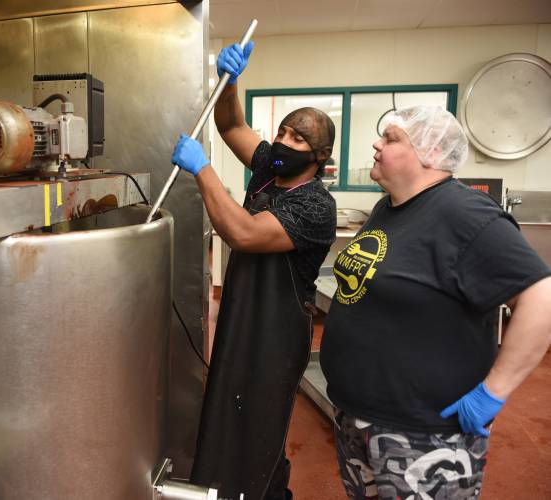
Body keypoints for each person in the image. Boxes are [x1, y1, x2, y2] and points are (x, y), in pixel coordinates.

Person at [320, 105, 551, 499]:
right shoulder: (388, 208)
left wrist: (492, 393)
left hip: (422, 435)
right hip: (357, 416)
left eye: (391, 138)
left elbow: (541, 298)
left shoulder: (466, 214)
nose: (376, 143)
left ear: (431, 151)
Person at [170, 42, 337, 499]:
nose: (284, 142)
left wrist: (203, 171)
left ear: (319, 157)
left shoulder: (315, 206)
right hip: (243, 319)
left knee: (259, 426)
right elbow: (230, 124)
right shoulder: (268, 169)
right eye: (283, 131)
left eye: (299, 139)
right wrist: (231, 80)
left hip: (276, 337)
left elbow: (243, 232)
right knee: (230, 413)